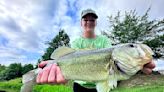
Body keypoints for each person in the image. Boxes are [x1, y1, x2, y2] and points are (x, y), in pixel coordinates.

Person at [36, 9, 155, 92]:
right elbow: (69, 59)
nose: (89, 22)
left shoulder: (104, 41)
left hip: (100, 86)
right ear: (81, 22)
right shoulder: (76, 42)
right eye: (85, 19)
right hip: (80, 87)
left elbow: (117, 67)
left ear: (96, 22)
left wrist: (137, 67)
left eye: (92, 20)